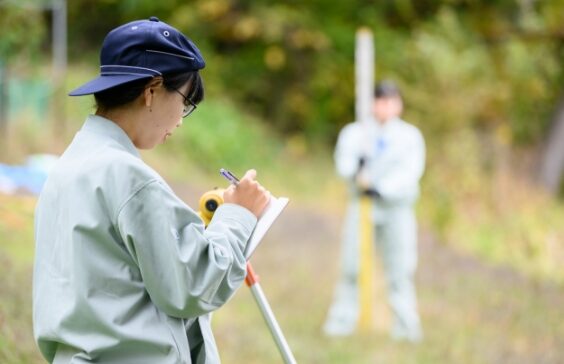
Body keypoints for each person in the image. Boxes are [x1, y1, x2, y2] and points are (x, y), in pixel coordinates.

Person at [33, 17, 270, 364]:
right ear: (152, 90)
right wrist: (238, 214)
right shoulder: (129, 177)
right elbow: (192, 284)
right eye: (185, 102)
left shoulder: (71, 163)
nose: (179, 120)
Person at [323, 80, 425, 342]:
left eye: (389, 100)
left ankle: (405, 327)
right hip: (362, 206)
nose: (383, 106)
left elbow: (410, 173)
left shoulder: (409, 136)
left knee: (400, 268)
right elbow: (343, 165)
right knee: (352, 265)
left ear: (398, 104)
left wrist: (382, 189)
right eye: (379, 100)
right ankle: (342, 322)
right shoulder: (355, 133)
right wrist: (357, 168)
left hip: (396, 210)